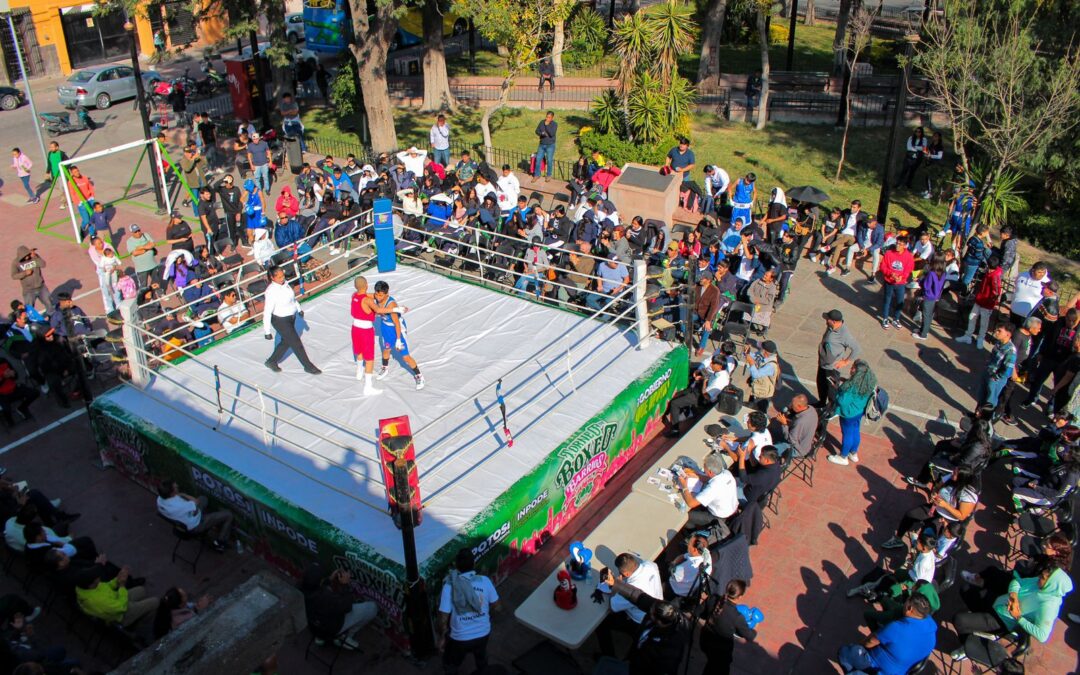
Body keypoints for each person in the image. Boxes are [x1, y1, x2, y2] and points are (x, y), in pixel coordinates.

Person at [951, 543, 1073, 658]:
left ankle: (967, 647)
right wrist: (1014, 596)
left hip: (1003, 620)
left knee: (959, 620)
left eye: (1042, 578)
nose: (1039, 578)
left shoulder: (1049, 606)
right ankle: (978, 626)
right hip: (999, 603)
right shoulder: (1038, 583)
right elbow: (1017, 582)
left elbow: (1042, 636)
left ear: (1052, 584)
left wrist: (1018, 617)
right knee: (966, 590)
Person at [837, 595, 936, 675]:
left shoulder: (897, 628)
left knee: (846, 652)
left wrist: (859, 646)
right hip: (901, 670)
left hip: (878, 668)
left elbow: (869, 642)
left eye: (905, 603)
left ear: (909, 608)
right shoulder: (932, 627)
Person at [437, 548, 498, 675]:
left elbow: (443, 618)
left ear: (456, 566)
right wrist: (485, 616)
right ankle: (482, 669)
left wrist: (442, 636)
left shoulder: (449, 586)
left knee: (451, 663)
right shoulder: (484, 581)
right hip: (484, 633)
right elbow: (497, 606)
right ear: (474, 564)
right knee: (481, 658)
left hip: (460, 638)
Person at [595, 553, 663, 657]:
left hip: (639, 622)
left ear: (625, 574)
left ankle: (608, 657)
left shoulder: (632, 588)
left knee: (601, 625)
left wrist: (615, 585)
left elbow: (612, 607)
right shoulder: (650, 565)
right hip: (657, 611)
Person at [300, 564, 378, 651]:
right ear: (319, 582)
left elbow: (316, 590)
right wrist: (345, 585)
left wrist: (328, 580)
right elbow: (347, 607)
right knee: (372, 608)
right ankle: (344, 637)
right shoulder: (326, 598)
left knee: (319, 616)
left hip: (313, 627)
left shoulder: (300, 588)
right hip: (331, 628)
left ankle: (320, 638)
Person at [263, 266, 320, 374]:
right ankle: (308, 366)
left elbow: (292, 299)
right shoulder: (271, 291)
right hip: (280, 320)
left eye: (282, 276)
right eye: (279, 277)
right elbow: (267, 311)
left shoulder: (286, 285)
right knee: (296, 342)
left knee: (286, 341)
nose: (282, 278)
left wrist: (298, 309)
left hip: (291, 317)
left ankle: (271, 361)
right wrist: (267, 331)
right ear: (272, 278)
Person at [372, 280, 425, 390]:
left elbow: (396, 323)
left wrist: (398, 339)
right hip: (385, 327)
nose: (377, 297)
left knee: (405, 356)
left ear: (387, 294)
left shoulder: (392, 304)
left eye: (380, 295)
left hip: (397, 328)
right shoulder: (375, 296)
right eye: (376, 294)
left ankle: (419, 375)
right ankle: (385, 368)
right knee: (386, 349)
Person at [155, 480, 233, 552]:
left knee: (203, 499)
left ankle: (211, 521)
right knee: (229, 515)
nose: (177, 486)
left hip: (185, 519)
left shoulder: (159, 500)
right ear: (172, 494)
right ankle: (220, 543)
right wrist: (183, 494)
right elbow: (196, 501)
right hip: (196, 525)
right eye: (175, 487)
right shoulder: (179, 505)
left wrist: (193, 509)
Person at [699, 579, 757, 675]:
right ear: (740, 597)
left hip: (705, 641)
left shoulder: (712, 598)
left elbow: (700, 613)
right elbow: (750, 636)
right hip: (721, 653)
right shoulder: (737, 617)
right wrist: (756, 625)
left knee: (711, 664)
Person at [76, 565, 159, 628]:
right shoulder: (96, 600)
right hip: (122, 615)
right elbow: (122, 607)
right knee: (155, 601)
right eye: (96, 578)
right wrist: (122, 585)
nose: (99, 577)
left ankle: (138, 611)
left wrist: (117, 579)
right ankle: (139, 623)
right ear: (91, 584)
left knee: (141, 590)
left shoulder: (85, 587)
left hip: (115, 600)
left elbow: (107, 586)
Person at [827, 360, 877, 466]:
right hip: (859, 411)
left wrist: (837, 391)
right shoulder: (869, 381)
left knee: (847, 434)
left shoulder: (852, 387)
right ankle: (853, 453)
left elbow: (843, 402)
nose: (851, 369)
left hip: (849, 413)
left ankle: (843, 456)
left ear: (858, 372)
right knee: (855, 431)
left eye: (853, 368)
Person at [676, 453, 738, 530]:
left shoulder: (713, 488)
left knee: (685, 516)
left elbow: (691, 503)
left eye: (704, 468)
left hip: (718, 517)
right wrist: (698, 476)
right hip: (731, 508)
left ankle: (692, 532)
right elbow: (711, 479)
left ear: (710, 472)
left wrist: (684, 486)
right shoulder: (726, 473)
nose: (703, 469)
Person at [816, 309, 861, 411]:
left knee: (832, 390)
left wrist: (845, 361)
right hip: (823, 363)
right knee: (821, 383)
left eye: (828, 319)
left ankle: (832, 409)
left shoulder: (843, 334)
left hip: (832, 368)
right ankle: (822, 403)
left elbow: (856, 348)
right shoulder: (830, 327)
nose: (826, 321)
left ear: (834, 321)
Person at [977, 323, 1017, 409]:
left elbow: (1008, 371)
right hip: (988, 372)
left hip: (995, 380)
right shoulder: (998, 343)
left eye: (999, 331)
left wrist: (995, 377)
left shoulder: (1011, 350)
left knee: (990, 402)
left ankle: (985, 419)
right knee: (981, 396)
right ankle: (977, 414)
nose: (996, 332)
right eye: (996, 330)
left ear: (1008, 334)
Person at [879, 235, 914, 329]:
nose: (898, 246)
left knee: (900, 301)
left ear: (905, 245)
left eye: (900, 244)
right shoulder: (889, 253)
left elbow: (908, 269)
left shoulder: (909, 256)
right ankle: (885, 318)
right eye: (897, 243)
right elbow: (883, 266)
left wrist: (901, 277)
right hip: (889, 281)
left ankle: (896, 319)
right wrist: (891, 274)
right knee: (887, 300)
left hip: (900, 283)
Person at [827, 200, 868, 274]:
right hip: (842, 234)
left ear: (859, 208)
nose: (852, 209)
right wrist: (842, 220)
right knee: (839, 245)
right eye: (851, 206)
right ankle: (833, 266)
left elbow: (870, 220)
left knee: (847, 237)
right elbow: (839, 214)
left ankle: (830, 246)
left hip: (852, 237)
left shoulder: (862, 215)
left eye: (854, 207)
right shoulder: (847, 211)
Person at [912, 255, 946, 340]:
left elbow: (926, 286)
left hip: (928, 296)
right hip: (935, 297)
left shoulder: (932, 273)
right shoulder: (943, 273)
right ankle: (922, 330)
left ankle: (923, 334)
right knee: (928, 315)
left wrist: (919, 280)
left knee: (926, 315)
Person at [773, 394, 819, 458]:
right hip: (806, 443)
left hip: (798, 450)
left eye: (792, 405)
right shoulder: (811, 409)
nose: (791, 406)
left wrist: (784, 424)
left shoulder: (800, 422)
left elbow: (790, 440)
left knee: (767, 450)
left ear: (799, 406)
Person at [1010, 262, 1050, 326]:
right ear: (1033, 270)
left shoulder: (1047, 283)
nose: (1042, 274)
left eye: (1044, 272)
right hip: (1014, 311)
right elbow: (1016, 285)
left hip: (1029, 316)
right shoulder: (1022, 275)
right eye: (1039, 272)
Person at [10, 247, 49, 313]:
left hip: (41, 287)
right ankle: (30, 321)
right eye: (26, 255)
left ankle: (52, 318)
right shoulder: (15, 263)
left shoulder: (34, 257)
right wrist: (25, 273)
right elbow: (14, 276)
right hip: (28, 291)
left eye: (28, 254)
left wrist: (36, 256)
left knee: (49, 304)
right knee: (29, 309)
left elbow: (43, 264)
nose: (28, 256)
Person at [125, 224, 160, 289]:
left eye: (139, 230)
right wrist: (146, 247)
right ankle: (145, 298)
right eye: (135, 232)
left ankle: (159, 293)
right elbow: (134, 253)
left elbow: (152, 244)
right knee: (143, 286)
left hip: (153, 265)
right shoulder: (129, 241)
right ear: (132, 233)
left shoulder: (146, 235)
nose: (138, 233)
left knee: (156, 281)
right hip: (141, 268)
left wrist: (140, 248)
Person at [533, 111, 557, 179]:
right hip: (542, 145)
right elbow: (536, 131)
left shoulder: (554, 124)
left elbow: (552, 134)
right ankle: (537, 175)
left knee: (549, 160)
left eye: (549, 117)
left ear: (552, 118)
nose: (547, 118)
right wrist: (541, 133)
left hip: (550, 145)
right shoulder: (542, 122)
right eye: (547, 117)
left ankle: (548, 175)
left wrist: (547, 125)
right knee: (538, 159)